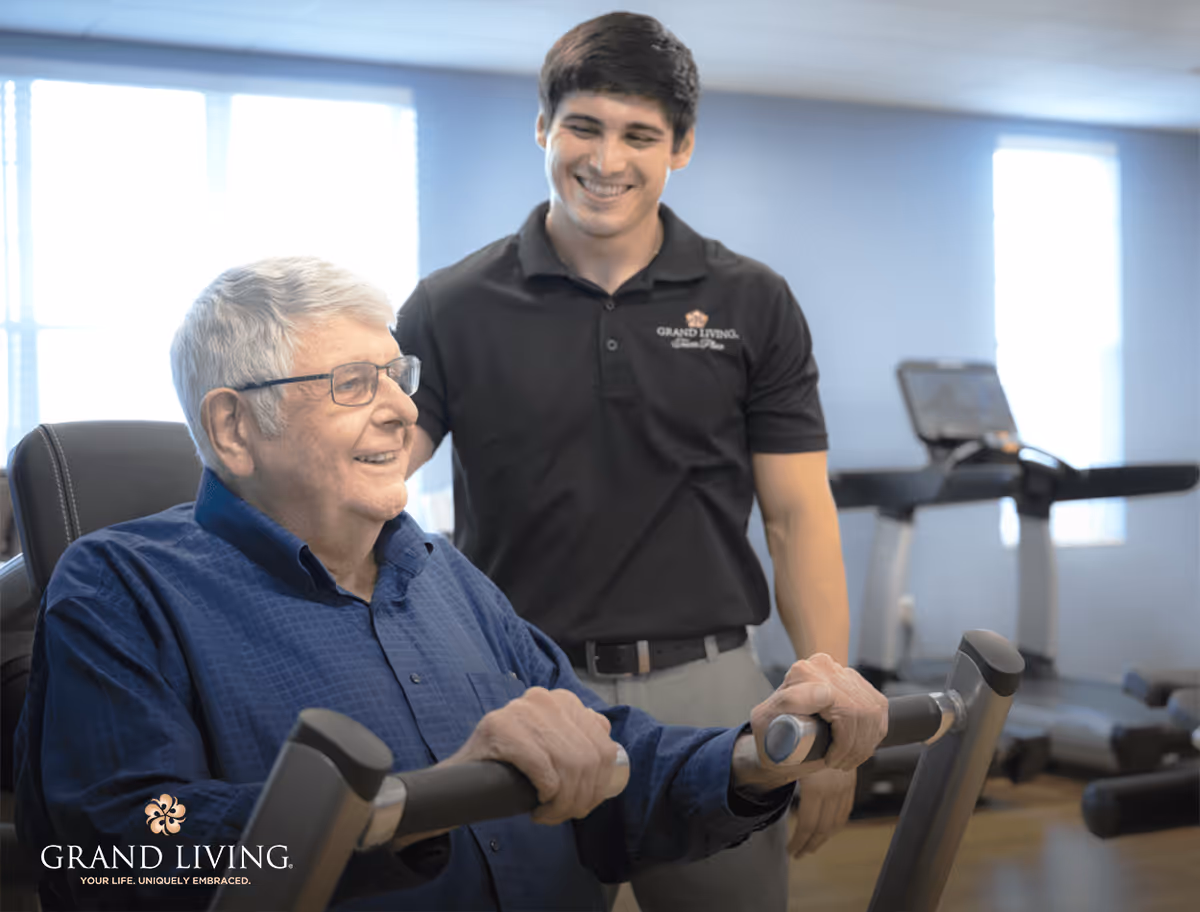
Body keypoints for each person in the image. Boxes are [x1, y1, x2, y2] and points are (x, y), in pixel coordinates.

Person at [14, 257, 888, 912]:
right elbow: (132, 846)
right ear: (235, 427)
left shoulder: (443, 573)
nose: (399, 407)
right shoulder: (119, 589)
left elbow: (612, 749)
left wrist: (751, 751)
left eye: (398, 376)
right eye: (354, 384)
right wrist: (410, 805)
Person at [394, 13, 868, 911]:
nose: (606, 159)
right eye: (583, 126)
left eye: (639, 135)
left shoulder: (751, 300)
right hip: (526, 691)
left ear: (680, 147)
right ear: (543, 128)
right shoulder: (450, 306)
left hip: (712, 689)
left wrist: (828, 705)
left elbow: (798, 515)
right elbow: (370, 483)